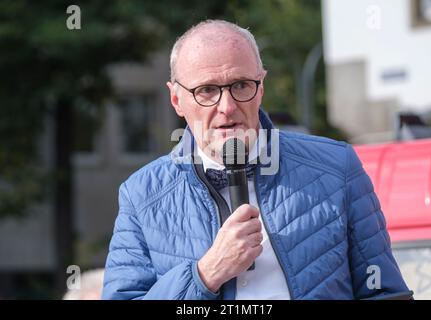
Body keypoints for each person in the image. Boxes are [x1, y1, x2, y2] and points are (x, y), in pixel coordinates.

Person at [102, 19, 410, 300]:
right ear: (176, 99)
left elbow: (383, 291)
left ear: (260, 86)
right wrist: (204, 275)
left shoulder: (337, 167)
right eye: (207, 91)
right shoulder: (141, 194)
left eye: (240, 86)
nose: (227, 107)